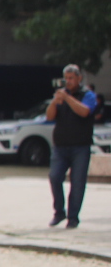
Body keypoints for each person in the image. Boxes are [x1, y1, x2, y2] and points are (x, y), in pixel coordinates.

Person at [47, 64, 98, 229]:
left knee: (77, 183)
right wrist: (55, 101)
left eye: (71, 78)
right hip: (60, 146)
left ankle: (73, 217)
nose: (68, 82)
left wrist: (68, 98)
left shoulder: (87, 95)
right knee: (54, 177)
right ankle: (59, 212)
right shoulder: (62, 95)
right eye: (66, 78)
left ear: (79, 78)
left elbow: (85, 112)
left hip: (80, 147)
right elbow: (49, 116)